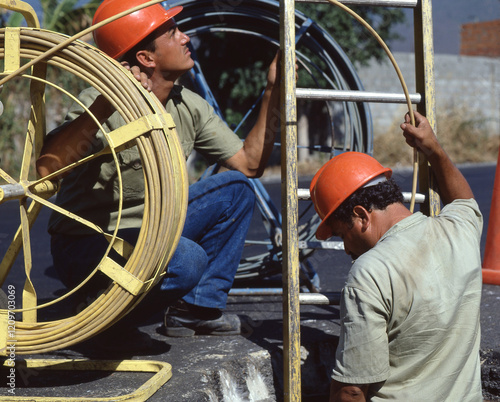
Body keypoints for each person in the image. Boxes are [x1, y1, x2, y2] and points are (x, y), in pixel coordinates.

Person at [36, 0, 283, 338]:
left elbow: (250, 164)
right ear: (146, 58)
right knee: (187, 260)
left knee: (235, 189)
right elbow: (48, 168)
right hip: (89, 246)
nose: (185, 38)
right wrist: (107, 103)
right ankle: (101, 318)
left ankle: (194, 309)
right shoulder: (100, 101)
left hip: (153, 234)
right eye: (173, 33)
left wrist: (273, 89)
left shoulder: (188, 105)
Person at [309, 111, 483, 401]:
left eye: (342, 235)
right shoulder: (459, 232)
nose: (346, 249)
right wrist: (434, 148)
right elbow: (463, 201)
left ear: (361, 215)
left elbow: (352, 390)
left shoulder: (369, 272)